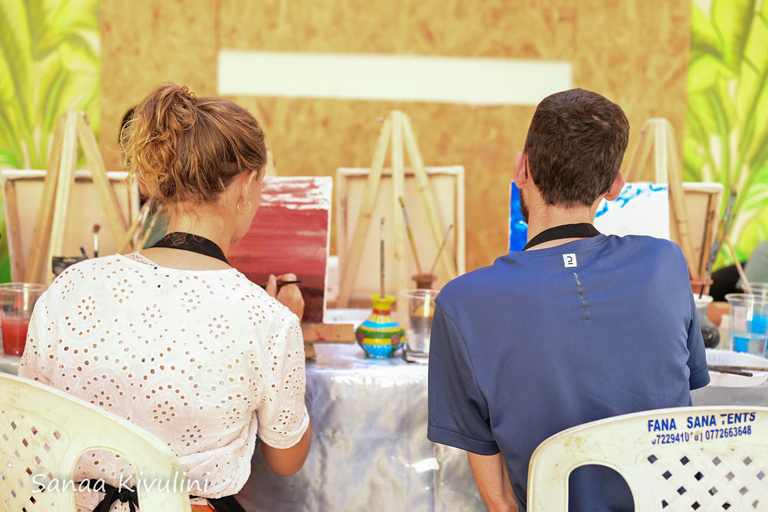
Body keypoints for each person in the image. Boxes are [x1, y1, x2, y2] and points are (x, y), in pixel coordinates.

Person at [19, 82, 312, 512]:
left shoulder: (70, 285)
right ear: (246, 186)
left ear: (154, 181)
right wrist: (287, 338)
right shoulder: (268, 319)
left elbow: (29, 429)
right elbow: (286, 460)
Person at [427, 89, 709, 512]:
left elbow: (500, 502)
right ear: (615, 186)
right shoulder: (665, 263)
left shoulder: (462, 303)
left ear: (522, 169)